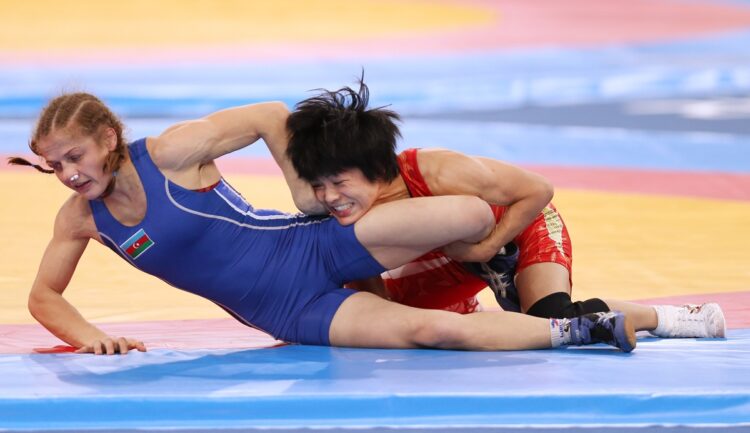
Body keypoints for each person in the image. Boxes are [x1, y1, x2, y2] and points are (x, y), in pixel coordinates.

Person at [8, 92, 639, 355]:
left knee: (472, 212)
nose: (66, 173)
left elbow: (268, 113)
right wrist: (91, 337)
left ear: (108, 139)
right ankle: (581, 330)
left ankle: (494, 263)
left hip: (309, 247)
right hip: (291, 313)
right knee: (430, 332)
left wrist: (307, 194)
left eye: (74, 156)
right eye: (52, 164)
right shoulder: (78, 219)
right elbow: (43, 295)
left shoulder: (170, 154)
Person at [284, 80, 726, 339]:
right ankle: (462, 308)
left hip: (517, 230)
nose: (329, 198)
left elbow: (537, 191)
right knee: (372, 319)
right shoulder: (344, 216)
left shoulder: (437, 171)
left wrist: (490, 246)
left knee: (550, 320)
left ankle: (673, 318)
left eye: (340, 183)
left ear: (377, 168)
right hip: (454, 256)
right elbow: (370, 293)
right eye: (319, 186)